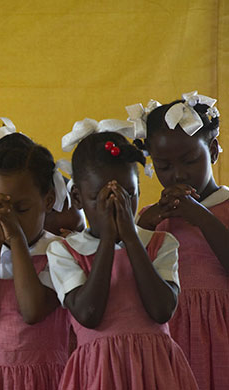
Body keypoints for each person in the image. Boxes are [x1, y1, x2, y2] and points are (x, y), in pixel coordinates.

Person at [48, 120, 198, 389]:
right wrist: (107, 239)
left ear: (140, 190)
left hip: (156, 371)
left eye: (129, 195)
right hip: (97, 373)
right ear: (78, 198)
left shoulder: (161, 243)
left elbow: (162, 310)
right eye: (101, 198)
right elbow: (88, 314)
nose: (118, 207)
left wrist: (130, 236)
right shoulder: (64, 251)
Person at [0, 121, 70, 389]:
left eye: (21, 208)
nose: (9, 218)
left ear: (49, 200)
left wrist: (16, 240)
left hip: (47, 379)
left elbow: (32, 310)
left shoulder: (61, 253)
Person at [132, 91, 229, 390]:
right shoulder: (151, 217)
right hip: (168, 338)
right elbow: (132, 279)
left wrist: (200, 216)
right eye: (163, 166)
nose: (177, 174)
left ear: (212, 151)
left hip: (222, 334)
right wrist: (144, 227)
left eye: (189, 161)